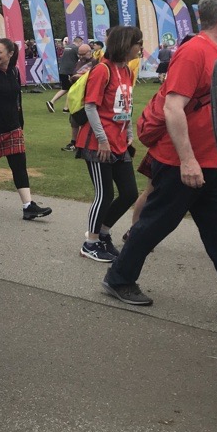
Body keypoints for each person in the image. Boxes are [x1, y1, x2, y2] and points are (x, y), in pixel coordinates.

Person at [102, 0, 217, 325]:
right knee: (155, 225)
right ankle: (118, 279)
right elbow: (172, 107)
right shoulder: (194, 52)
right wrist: (189, 160)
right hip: (182, 161)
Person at [74, 26, 142, 263]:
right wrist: (102, 140)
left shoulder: (127, 71)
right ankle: (90, 243)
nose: (140, 47)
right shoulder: (102, 70)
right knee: (104, 194)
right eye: (137, 43)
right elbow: (91, 106)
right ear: (125, 44)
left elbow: (126, 107)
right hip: (98, 143)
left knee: (129, 193)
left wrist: (129, 132)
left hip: (119, 142)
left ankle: (102, 234)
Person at [0, 38, 53, 220]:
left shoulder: (14, 72)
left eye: (0, 52)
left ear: (10, 54)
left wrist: (20, 123)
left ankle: (28, 205)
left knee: (19, 166)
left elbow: (17, 100)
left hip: (12, 128)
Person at [62, 43, 95, 152]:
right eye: (79, 54)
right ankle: (74, 142)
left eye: (83, 54)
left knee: (86, 121)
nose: (80, 56)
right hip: (77, 96)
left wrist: (79, 76)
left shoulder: (95, 63)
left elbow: (92, 76)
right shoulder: (79, 62)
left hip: (88, 95)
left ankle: (84, 143)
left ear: (89, 52)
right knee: (74, 120)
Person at [48, 36, 83, 112]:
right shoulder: (76, 48)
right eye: (81, 43)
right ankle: (65, 107)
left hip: (63, 70)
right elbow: (81, 58)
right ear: (79, 42)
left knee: (65, 88)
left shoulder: (67, 47)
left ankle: (53, 102)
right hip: (69, 71)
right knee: (70, 89)